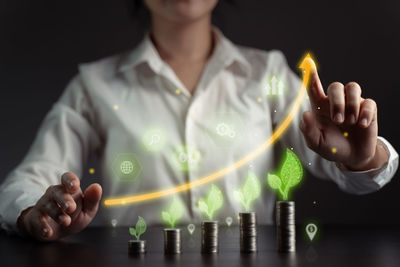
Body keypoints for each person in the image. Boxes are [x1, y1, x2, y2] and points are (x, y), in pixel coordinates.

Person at [0, 0, 398, 241]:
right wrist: (34, 212)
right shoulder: (94, 86)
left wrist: (361, 157)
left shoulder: (268, 75)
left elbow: (344, 168)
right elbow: (23, 183)